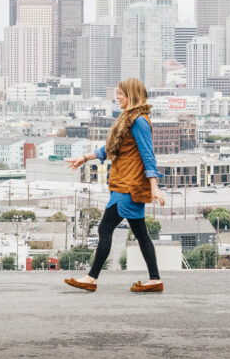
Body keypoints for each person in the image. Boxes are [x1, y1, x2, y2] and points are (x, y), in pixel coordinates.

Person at [64, 78, 167, 293]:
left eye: (120, 93)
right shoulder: (127, 118)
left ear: (131, 95)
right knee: (141, 233)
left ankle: (91, 278)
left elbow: (148, 155)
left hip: (128, 187)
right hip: (125, 184)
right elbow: (112, 148)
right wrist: (85, 157)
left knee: (105, 228)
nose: (117, 96)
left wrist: (154, 186)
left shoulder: (138, 120)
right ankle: (155, 279)